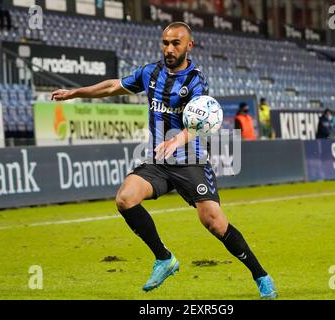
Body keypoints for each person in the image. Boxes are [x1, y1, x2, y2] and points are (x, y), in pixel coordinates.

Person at [51, 22, 277, 299]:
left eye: (176, 43)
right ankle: (164, 258)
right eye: (165, 43)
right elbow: (113, 86)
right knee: (125, 198)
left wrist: (176, 140)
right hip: (158, 159)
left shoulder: (196, 80)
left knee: (214, 222)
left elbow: (200, 122)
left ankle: (260, 275)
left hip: (190, 160)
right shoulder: (151, 72)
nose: (169, 49)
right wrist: (76, 93)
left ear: (188, 45)